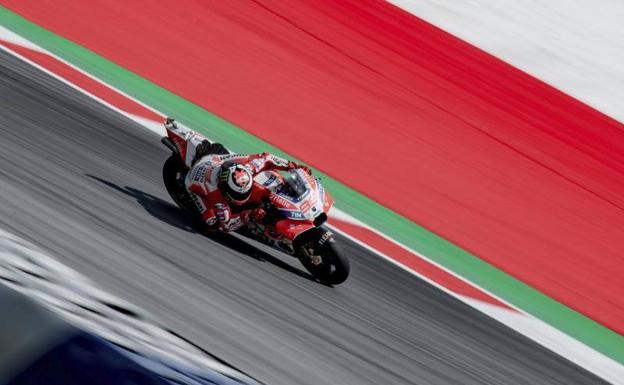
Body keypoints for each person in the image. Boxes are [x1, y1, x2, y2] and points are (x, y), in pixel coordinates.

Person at [167, 119, 311, 233]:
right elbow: (226, 225)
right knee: (211, 223)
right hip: (195, 183)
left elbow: (267, 158)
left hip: (216, 156)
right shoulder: (216, 197)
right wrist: (248, 214)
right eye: (237, 195)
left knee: (268, 176)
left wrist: (294, 166)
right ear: (225, 189)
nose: (243, 197)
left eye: (244, 193)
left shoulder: (247, 167)